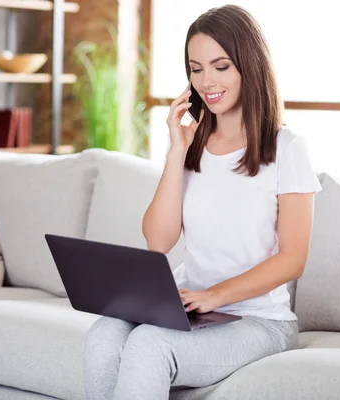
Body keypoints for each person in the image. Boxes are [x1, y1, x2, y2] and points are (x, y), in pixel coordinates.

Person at [83, 4, 322, 399]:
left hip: (259, 320)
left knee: (149, 346)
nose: (206, 81)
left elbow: (293, 259)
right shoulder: (191, 145)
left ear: (249, 65)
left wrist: (214, 295)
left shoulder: (287, 148)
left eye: (221, 66)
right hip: (190, 309)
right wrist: (177, 151)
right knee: (102, 335)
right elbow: (158, 242)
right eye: (196, 68)